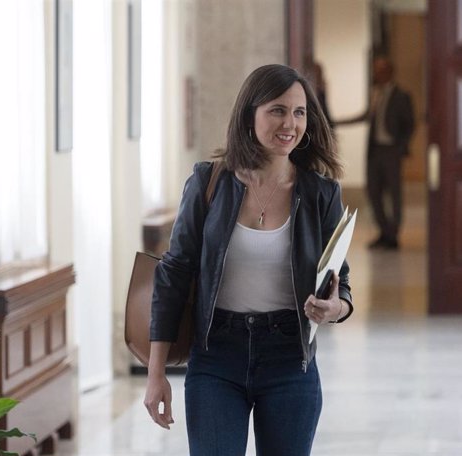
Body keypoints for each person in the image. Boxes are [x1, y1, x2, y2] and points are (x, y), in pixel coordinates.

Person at [144, 64, 354, 456]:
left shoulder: (321, 193)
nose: (289, 123)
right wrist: (156, 374)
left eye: (299, 112)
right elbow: (173, 275)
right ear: (249, 114)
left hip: (290, 359)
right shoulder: (209, 182)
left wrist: (334, 308)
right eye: (277, 110)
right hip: (216, 357)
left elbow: (340, 285)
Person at [337, 57, 415, 249]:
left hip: (391, 151)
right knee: (373, 191)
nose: (377, 74)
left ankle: (393, 234)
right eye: (376, 70)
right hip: (375, 151)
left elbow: (410, 124)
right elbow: (366, 116)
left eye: (381, 70)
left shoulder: (401, 96)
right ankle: (384, 231)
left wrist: (401, 146)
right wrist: (336, 121)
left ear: (390, 72)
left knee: (394, 194)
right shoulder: (375, 94)